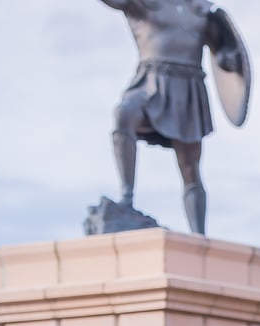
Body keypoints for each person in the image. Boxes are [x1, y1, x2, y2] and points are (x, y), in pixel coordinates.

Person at [98, 0, 247, 234]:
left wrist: (228, 58)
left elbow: (224, 49)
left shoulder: (200, 10)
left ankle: (199, 233)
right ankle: (127, 198)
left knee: (190, 166)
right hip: (150, 82)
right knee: (125, 114)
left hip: (187, 87)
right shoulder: (146, 4)